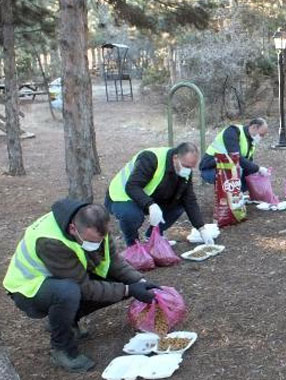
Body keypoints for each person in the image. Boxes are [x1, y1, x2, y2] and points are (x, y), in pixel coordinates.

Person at [3, 199, 160, 372]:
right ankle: (62, 349)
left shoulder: (96, 227)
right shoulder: (50, 241)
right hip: (28, 288)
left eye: (102, 239)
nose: (98, 244)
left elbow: (113, 261)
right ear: (72, 229)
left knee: (118, 284)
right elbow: (84, 287)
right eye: (92, 240)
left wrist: (139, 281)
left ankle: (67, 320)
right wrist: (128, 290)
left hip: (62, 277)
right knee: (68, 292)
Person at [105, 142, 214, 246]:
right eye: (186, 166)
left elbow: (189, 199)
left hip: (146, 196)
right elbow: (132, 186)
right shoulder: (150, 158)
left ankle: (153, 237)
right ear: (175, 158)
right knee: (132, 216)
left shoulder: (183, 169)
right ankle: (133, 246)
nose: (188, 170)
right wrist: (150, 205)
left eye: (191, 167)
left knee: (180, 203)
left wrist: (201, 228)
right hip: (121, 197)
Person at [199, 118, 269, 189]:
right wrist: (258, 169)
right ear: (254, 127)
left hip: (227, 167)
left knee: (251, 174)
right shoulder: (232, 132)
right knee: (238, 171)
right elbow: (236, 158)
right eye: (261, 134)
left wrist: (256, 174)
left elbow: (248, 164)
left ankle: (238, 195)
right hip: (210, 168)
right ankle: (229, 196)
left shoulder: (250, 142)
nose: (261, 138)